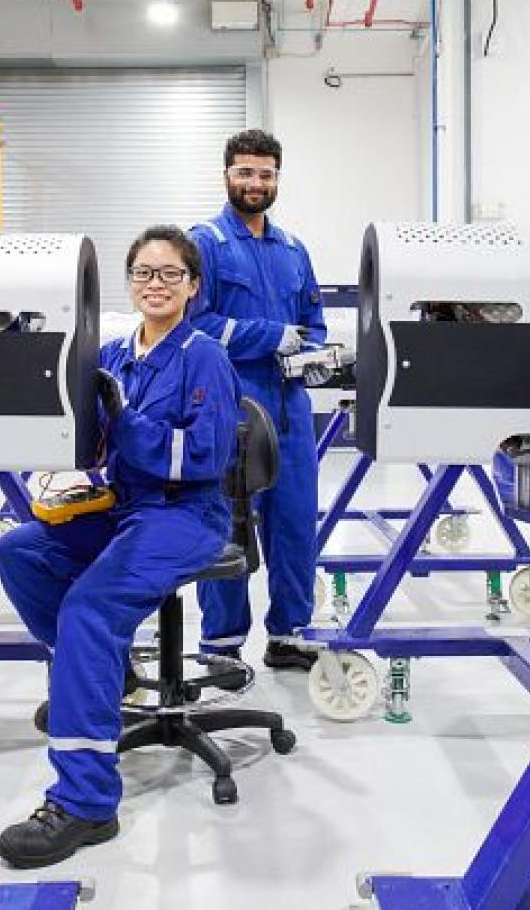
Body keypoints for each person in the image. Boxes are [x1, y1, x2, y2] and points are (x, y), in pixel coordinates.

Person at [0, 225, 240, 868]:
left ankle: (84, 803)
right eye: (143, 273)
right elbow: (85, 436)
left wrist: (126, 422)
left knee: (89, 610)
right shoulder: (109, 353)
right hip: (122, 506)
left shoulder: (203, 355)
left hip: (186, 513)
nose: (155, 284)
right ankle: (105, 672)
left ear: (192, 286)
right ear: (129, 282)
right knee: (21, 551)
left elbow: (205, 454)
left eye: (169, 274)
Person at [189, 129, 328, 672]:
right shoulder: (204, 243)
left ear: (277, 179)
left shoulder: (293, 249)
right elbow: (196, 320)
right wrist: (271, 337)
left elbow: (312, 321)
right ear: (226, 175)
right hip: (230, 407)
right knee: (227, 524)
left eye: (265, 174)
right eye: (245, 172)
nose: (255, 183)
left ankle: (289, 633)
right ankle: (221, 645)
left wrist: (312, 351)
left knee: (294, 523)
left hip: (290, 406)